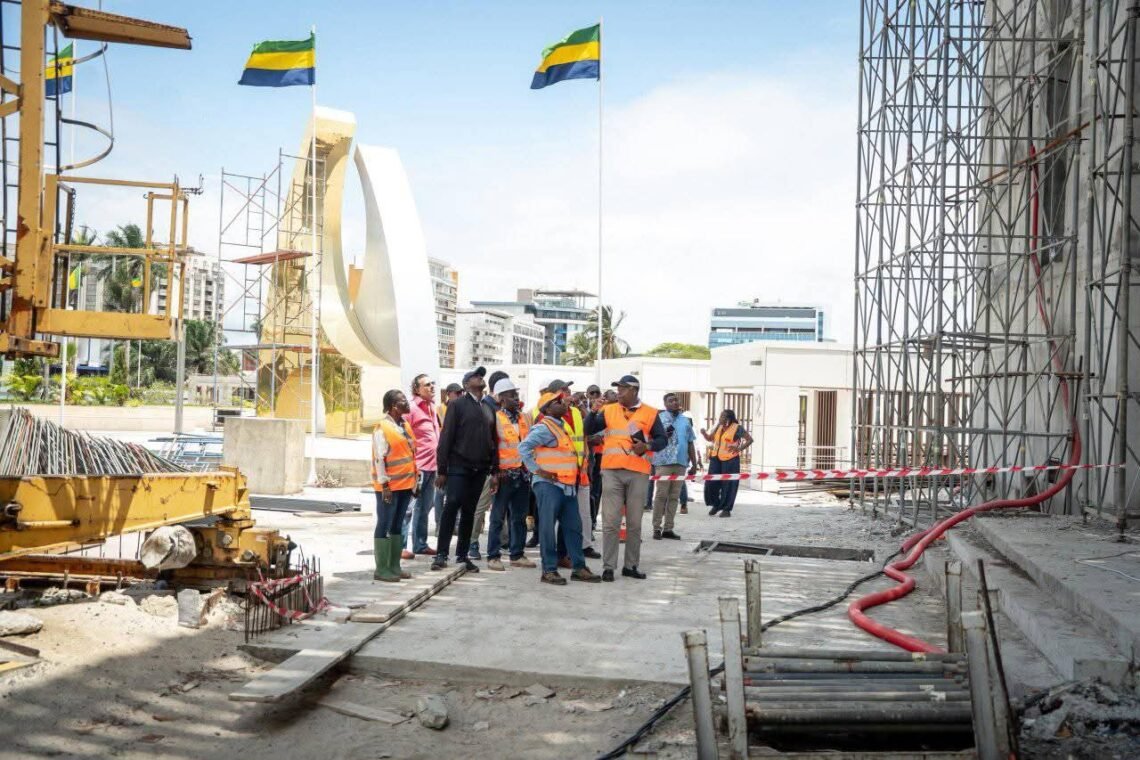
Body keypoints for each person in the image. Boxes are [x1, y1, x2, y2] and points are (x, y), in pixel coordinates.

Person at [586, 375, 667, 582]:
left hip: (638, 471)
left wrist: (647, 446)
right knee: (610, 522)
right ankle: (608, 567)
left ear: (634, 391)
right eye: (618, 388)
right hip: (611, 470)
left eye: (622, 388)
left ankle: (631, 566)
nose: (618, 392)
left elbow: (662, 439)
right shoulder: (608, 409)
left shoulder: (650, 412)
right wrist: (593, 411)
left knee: (634, 523)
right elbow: (588, 429)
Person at [518, 391, 602, 585]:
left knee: (574, 527)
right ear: (547, 409)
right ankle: (548, 570)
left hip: (566, 485)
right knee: (547, 528)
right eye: (556, 402)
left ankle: (579, 568)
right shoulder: (544, 428)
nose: (562, 403)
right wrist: (538, 471)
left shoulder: (561, 426)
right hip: (549, 486)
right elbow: (523, 448)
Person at [433, 367, 498, 573]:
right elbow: (446, 437)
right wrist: (442, 469)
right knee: (452, 505)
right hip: (458, 465)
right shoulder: (457, 404)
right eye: (475, 376)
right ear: (466, 384)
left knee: (470, 511)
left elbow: (493, 440)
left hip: (480, 468)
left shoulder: (488, 408)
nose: (480, 378)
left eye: (481, 376)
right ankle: (441, 554)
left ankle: (462, 555)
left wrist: (494, 469)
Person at [485, 378, 536, 571]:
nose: (516, 398)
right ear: (502, 398)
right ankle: (493, 555)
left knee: (519, 517)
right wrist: (495, 472)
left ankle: (517, 554)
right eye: (512, 395)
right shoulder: (496, 418)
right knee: (497, 516)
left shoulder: (524, 418)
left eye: (516, 394)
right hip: (504, 475)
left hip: (522, 474)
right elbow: (492, 447)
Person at [370, 390, 420, 582]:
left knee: (397, 525)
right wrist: (384, 486)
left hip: (406, 485)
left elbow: (410, 455)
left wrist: (416, 483)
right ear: (393, 406)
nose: (407, 404)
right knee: (384, 523)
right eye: (403, 401)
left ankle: (394, 566)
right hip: (389, 487)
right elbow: (379, 460)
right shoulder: (382, 428)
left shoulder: (405, 425)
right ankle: (381, 568)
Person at [466, 370, 509, 560]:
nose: (513, 396)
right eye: (509, 392)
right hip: (485, 467)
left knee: (501, 508)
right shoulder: (486, 407)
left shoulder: (506, 411)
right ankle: (472, 542)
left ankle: (503, 540)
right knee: (480, 507)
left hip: (503, 468)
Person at [652, 392, 699, 540]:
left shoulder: (685, 420)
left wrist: (694, 463)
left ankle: (668, 528)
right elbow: (652, 438)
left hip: (680, 463)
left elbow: (690, 442)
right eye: (671, 400)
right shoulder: (659, 419)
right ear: (665, 404)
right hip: (664, 462)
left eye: (676, 400)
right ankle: (656, 528)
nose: (674, 402)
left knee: (674, 497)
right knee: (661, 496)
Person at [404, 374, 441, 558]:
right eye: (427, 385)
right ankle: (401, 546)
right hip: (418, 466)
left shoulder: (432, 407)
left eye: (432, 383)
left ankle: (420, 544)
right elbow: (403, 434)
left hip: (432, 466)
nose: (432, 387)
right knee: (408, 508)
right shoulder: (411, 408)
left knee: (425, 507)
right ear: (417, 389)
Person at [701, 410, 754, 517]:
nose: (721, 418)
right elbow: (710, 438)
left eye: (723, 417)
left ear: (729, 419)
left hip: (730, 459)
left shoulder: (737, 428)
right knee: (711, 482)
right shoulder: (718, 427)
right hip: (716, 458)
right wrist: (704, 433)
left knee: (729, 484)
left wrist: (739, 448)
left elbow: (749, 439)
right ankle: (716, 504)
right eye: (720, 416)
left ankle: (726, 509)